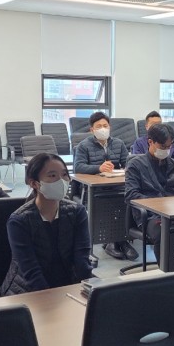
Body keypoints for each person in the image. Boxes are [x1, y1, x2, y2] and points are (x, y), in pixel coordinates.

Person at [0, 153, 93, 295]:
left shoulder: (77, 212)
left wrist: (88, 292)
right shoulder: (19, 221)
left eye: (64, 174)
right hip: (27, 292)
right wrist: (51, 299)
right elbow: (31, 273)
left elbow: (82, 261)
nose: (61, 181)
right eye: (52, 175)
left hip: (67, 288)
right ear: (34, 183)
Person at [125, 123, 174, 261]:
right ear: (150, 142)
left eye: (170, 146)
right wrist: (159, 205)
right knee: (163, 233)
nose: (167, 150)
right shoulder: (136, 165)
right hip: (150, 215)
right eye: (163, 147)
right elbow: (131, 195)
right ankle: (166, 270)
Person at [73, 111, 137, 261]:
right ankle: (117, 242)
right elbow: (78, 167)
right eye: (99, 126)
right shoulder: (83, 146)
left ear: (110, 127)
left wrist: (126, 169)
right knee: (111, 204)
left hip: (116, 186)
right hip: (95, 190)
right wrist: (98, 168)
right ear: (92, 129)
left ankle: (118, 241)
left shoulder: (118, 143)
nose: (103, 129)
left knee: (129, 201)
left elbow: (127, 163)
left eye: (105, 125)